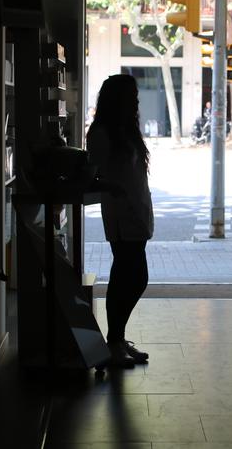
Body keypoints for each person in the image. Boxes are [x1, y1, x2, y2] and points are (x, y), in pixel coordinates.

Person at [86, 74, 153, 368]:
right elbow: (91, 173)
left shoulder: (126, 130)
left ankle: (117, 338)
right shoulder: (102, 132)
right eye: (131, 95)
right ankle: (114, 341)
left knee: (130, 276)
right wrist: (111, 187)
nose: (136, 100)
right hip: (120, 213)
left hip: (135, 210)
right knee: (132, 277)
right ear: (117, 98)